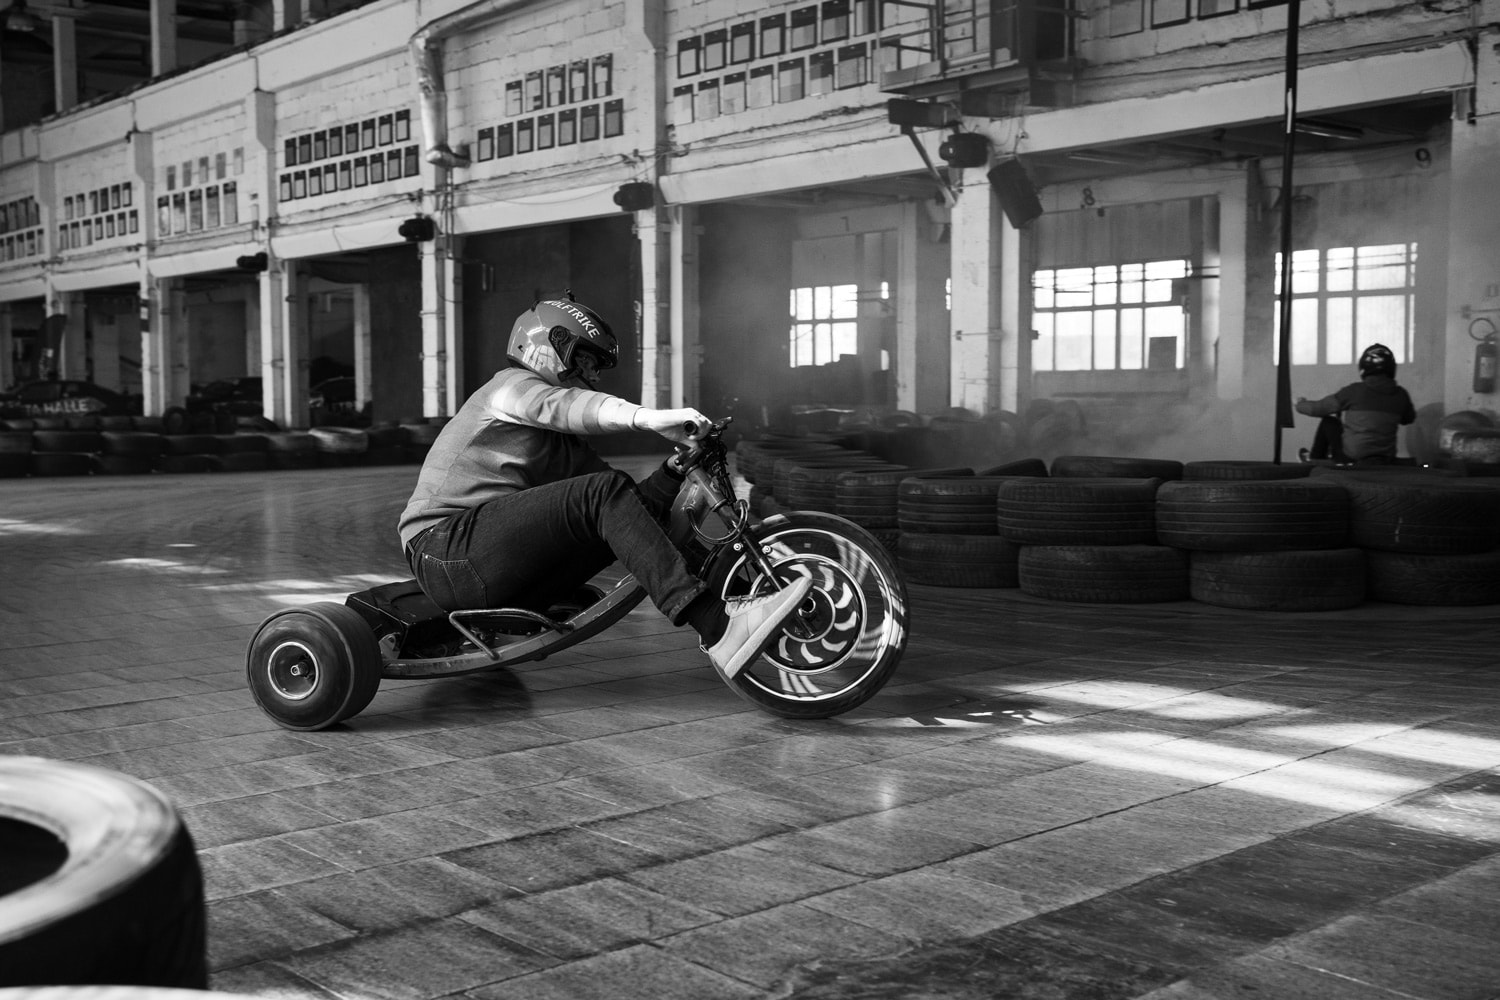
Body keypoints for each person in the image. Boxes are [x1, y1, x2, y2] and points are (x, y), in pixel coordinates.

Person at [397, 294, 811, 682]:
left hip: (487, 566)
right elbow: (566, 408)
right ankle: (718, 625)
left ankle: (747, 603)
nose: (593, 375)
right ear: (551, 344)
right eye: (587, 360)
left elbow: (626, 506)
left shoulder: (559, 444)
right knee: (601, 491)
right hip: (444, 550)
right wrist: (648, 418)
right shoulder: (509, 387)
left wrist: (674, 469)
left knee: (618, 502)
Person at [1295, 343, 1416, 465]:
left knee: (1329, 421)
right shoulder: (1401, 395)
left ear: (1364, 367)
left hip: (1351, 457)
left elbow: (1317, 409)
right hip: (1385, 458)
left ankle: (1314, 460)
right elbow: (1409, 419)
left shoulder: (1354, 391)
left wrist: (1300, 404)